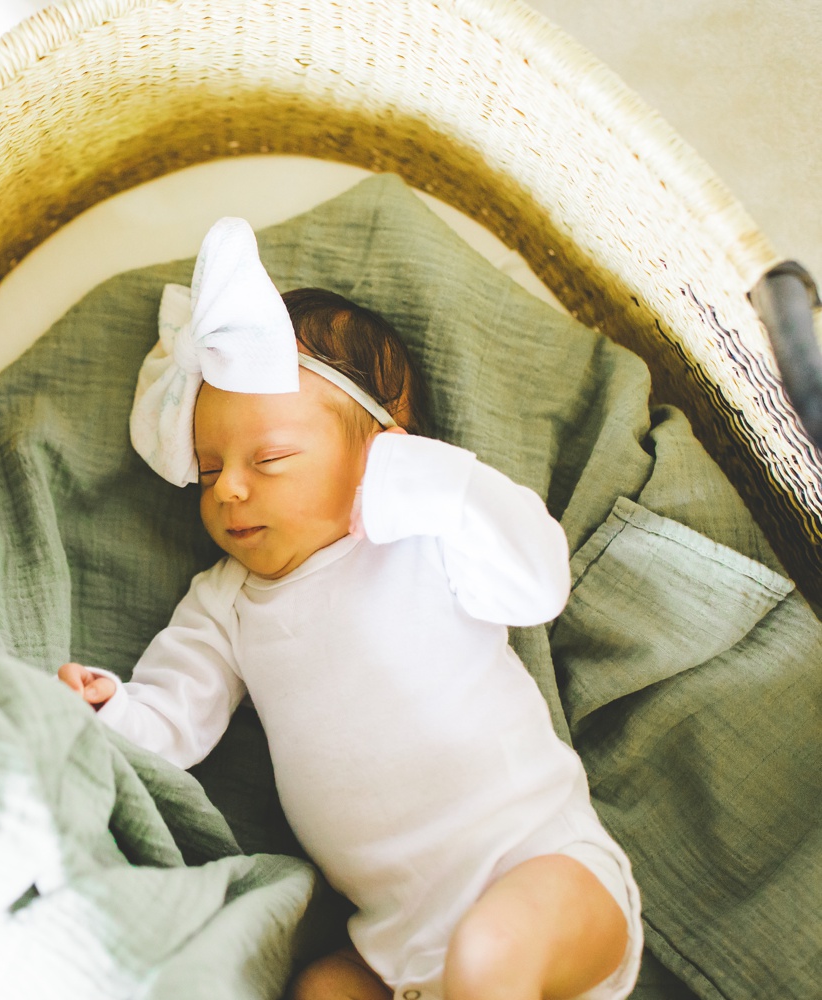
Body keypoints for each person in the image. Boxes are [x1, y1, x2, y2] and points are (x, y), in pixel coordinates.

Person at [58, 218, 642, 1000]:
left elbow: (537, 583)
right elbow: (177, 719)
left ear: (382, 448)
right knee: (323, 989)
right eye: (206, 471)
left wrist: (428, 482)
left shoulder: (422, 537)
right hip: (396, 941)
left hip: (543, 869)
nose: (230, 488)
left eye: (270, 459)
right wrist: (111, 709)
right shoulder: (225, 603)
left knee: (491, 954)